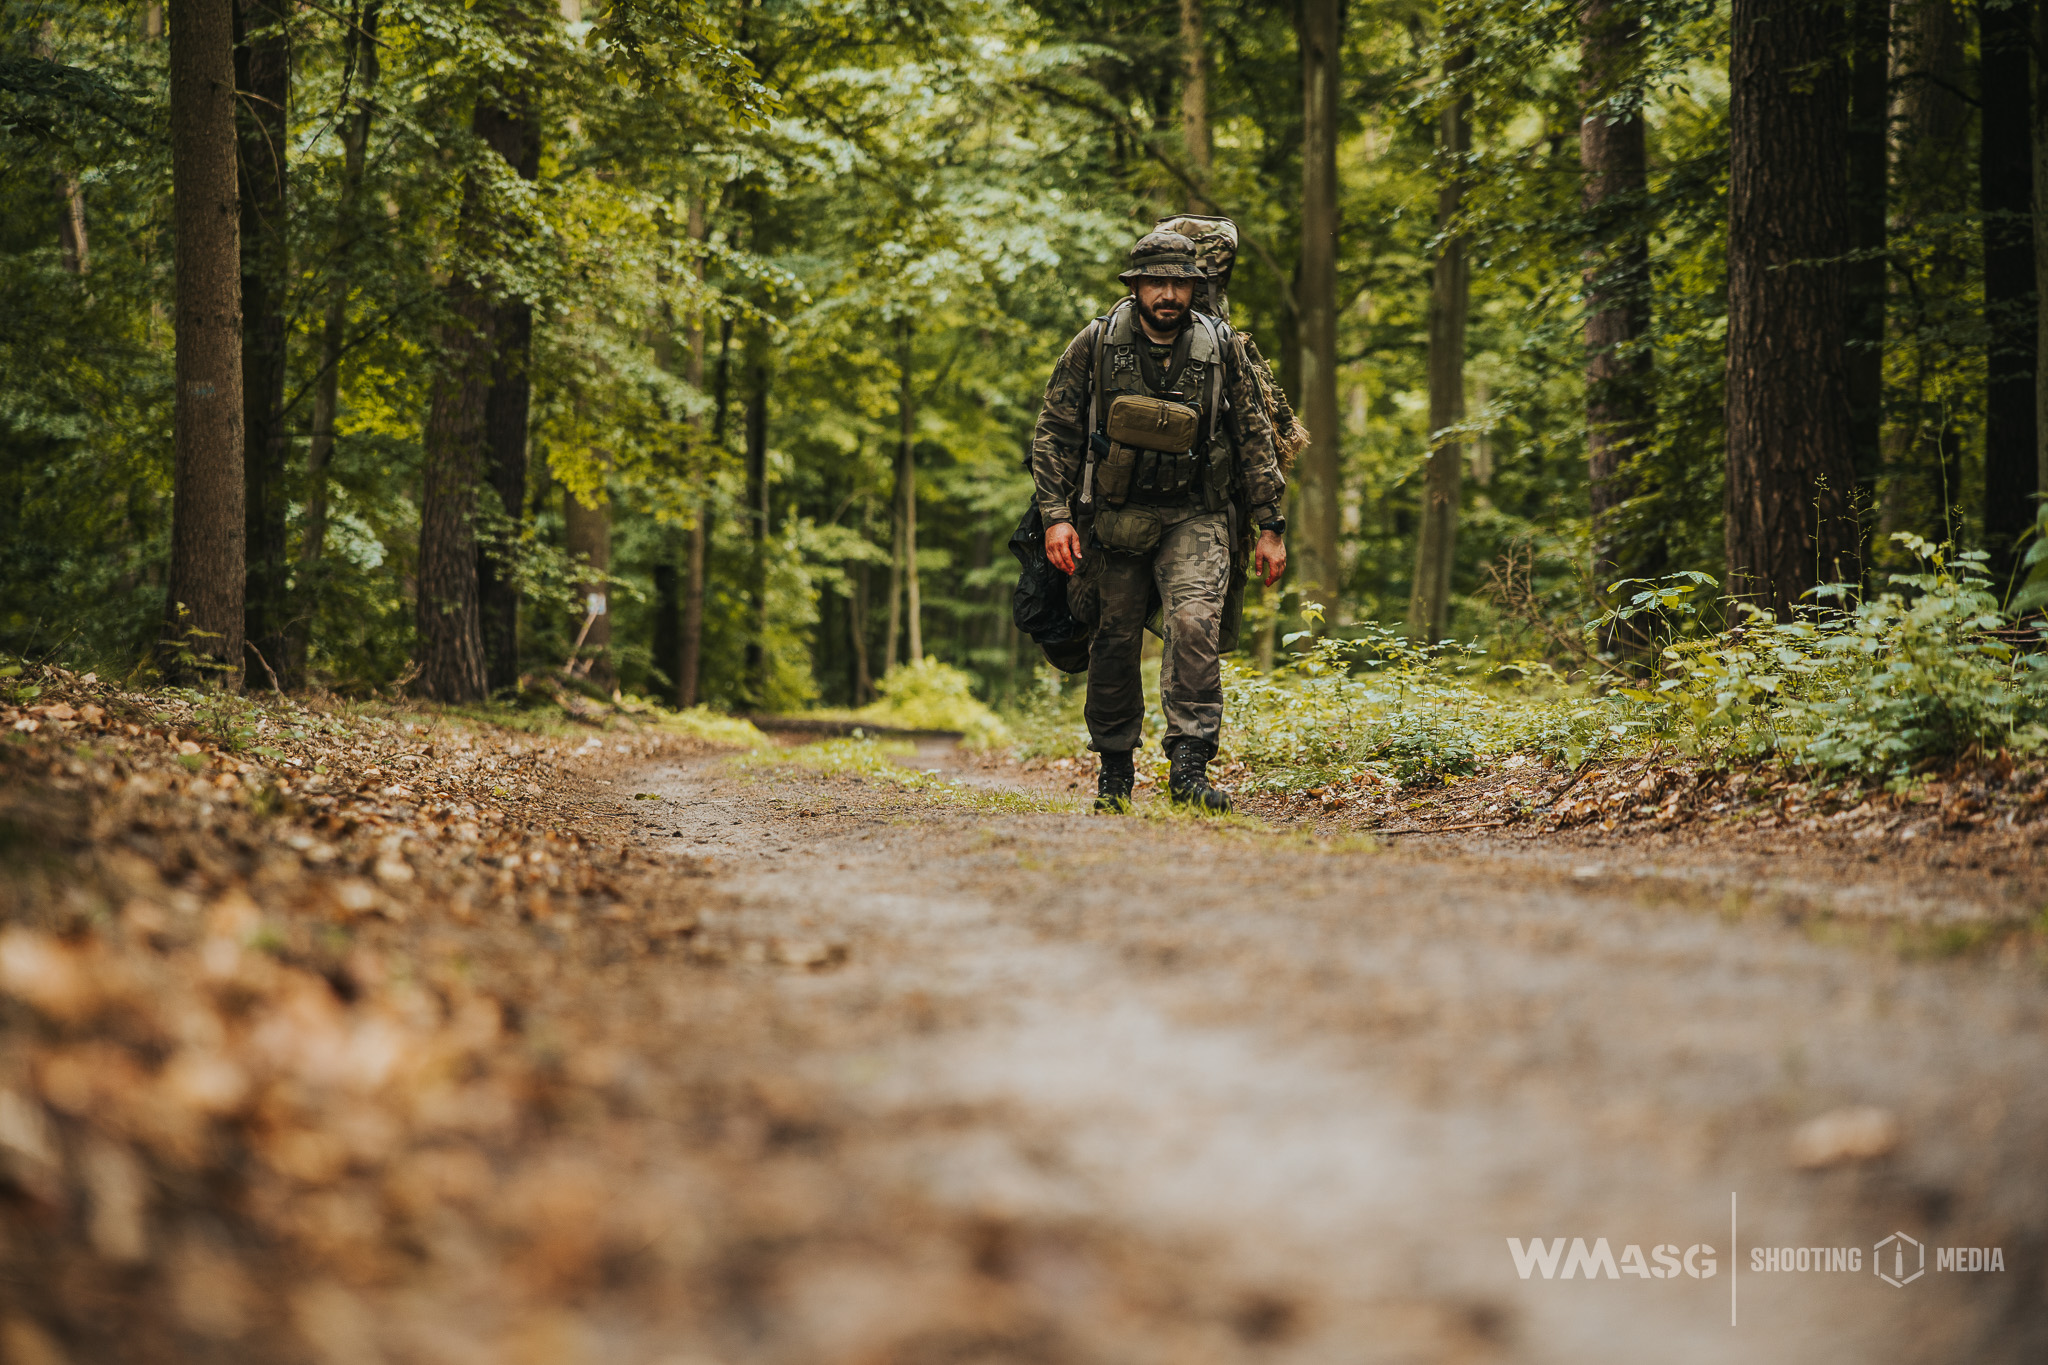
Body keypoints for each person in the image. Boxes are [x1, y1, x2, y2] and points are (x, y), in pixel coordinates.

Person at [1029, 230, 1289, 814]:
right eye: (1156, 282)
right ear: (1136, 286)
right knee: (1113, 637)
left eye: (1179, 283)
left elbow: (1254, 435)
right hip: (1115, 516)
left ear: (1195, 288)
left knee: (1195, 625)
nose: (1167, 294)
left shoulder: (1221, 346)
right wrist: (1055, 517)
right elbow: (1055, 433)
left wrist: (1270, 526)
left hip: (1197, 511)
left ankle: (1190, 768)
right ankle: (1115, 773)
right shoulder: (1096, 343)